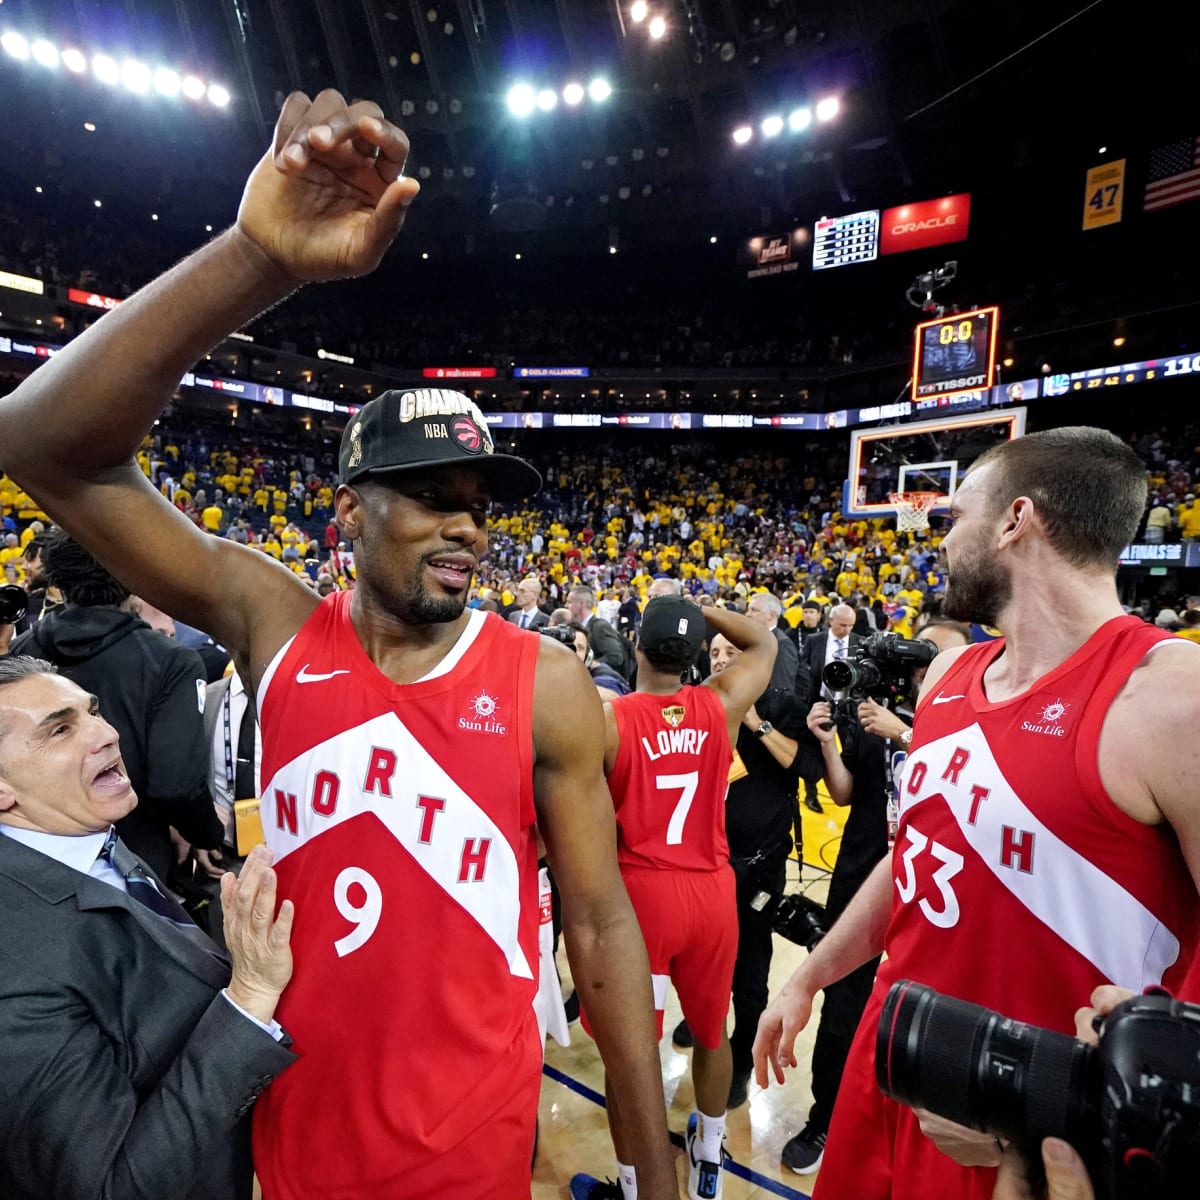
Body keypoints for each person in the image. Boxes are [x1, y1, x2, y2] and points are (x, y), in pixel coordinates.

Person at [0, 90, 675, 1200]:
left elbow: (600, 925)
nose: (465, 523)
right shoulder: (273, 623)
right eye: (427, 496)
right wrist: (255, 260)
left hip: (477, 1149)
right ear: (348, 513)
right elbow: (44, 446)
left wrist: (652, 1172)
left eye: (479, 503)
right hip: (287, 1138)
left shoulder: (544, 679)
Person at [753, 427, 1200, 1200]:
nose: (942, 540)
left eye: (954, 516)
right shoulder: (950, 674)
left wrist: (1060, 1094)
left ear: (1014, 520)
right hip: (894, 1058)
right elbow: (924, 851)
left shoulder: (1170, 696)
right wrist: (811, 977)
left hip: (1034, 1137)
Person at [0, 656, 295, 1200]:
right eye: (60, 729)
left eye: (93, 712)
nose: (108, 733)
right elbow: (116, 1185)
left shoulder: (84, 835)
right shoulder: (14, 967)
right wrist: (250, 996)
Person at [571, 597, 776, 1200]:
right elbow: (764, 642)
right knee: (714, 1035)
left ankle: (635, 1186)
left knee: (628, 1056)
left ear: (635, 645)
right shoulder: (722, 701)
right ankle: (710, 1160)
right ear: (693, 657)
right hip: (712, 894)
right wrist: (701, 610)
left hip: (641, 901)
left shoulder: (609, 719)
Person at [779, 620, 971, 1175]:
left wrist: (908, 734)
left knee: (930, 1015)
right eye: (920, 655)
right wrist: (829, 743)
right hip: (864, 875)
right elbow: (844, 792)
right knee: (842, 1011)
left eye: (937, 655)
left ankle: (920, 1135)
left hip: (938, 891)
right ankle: (825, 1117)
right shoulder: (873, 710)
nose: (924, 666)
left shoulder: (967, 721)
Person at [9, 530, 222, 882]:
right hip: (133, 862)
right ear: (133, 574)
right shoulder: (171, 661)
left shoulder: (21, 653)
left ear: (57, 578)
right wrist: (206, 833)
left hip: (36, 861)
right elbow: (177, 786)